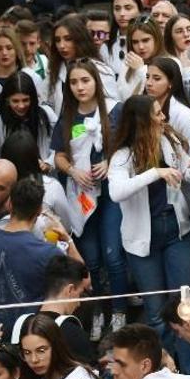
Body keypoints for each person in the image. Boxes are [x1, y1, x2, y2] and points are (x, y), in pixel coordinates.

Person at [107, 94, 190, 368]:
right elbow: (116, 192)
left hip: (176, 230)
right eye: (157, 114)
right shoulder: (122, 156)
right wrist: (155, 172)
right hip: (142, 241)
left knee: (185, 306)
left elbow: (185, 176)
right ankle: (165, 369)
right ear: (142, 121)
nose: (163, 117)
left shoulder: (169, 141)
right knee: (156, 313)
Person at [51, 58, 129, 336]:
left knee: (113, 256)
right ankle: (96, 310)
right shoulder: (67, 117)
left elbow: (128, 146)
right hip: (81, 196)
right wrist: (73, 171)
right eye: (74, 82)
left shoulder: (115, 110)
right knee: (91, 261)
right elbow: (59, 155)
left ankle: (119, 311)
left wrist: (110, 162)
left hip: (110, 195)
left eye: (85, 80)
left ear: (96, 81)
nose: (80, 87)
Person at [0, 177, 74, 332]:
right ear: (39, 211)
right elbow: (83, 281)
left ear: (9, 204)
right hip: (31, 340)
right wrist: (68, 239)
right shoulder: (49, 253)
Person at [7, 254, 95, 362]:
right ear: (70, 290)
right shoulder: (74, 335)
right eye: (79, 294)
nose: (79, 303)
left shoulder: (14, 330)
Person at [0, 72, 53, 162]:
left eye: (25, 100)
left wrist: (48, 163)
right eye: (15, 101)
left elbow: (58, 149)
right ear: (7, 100)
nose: (21, 106)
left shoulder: (46, 114)